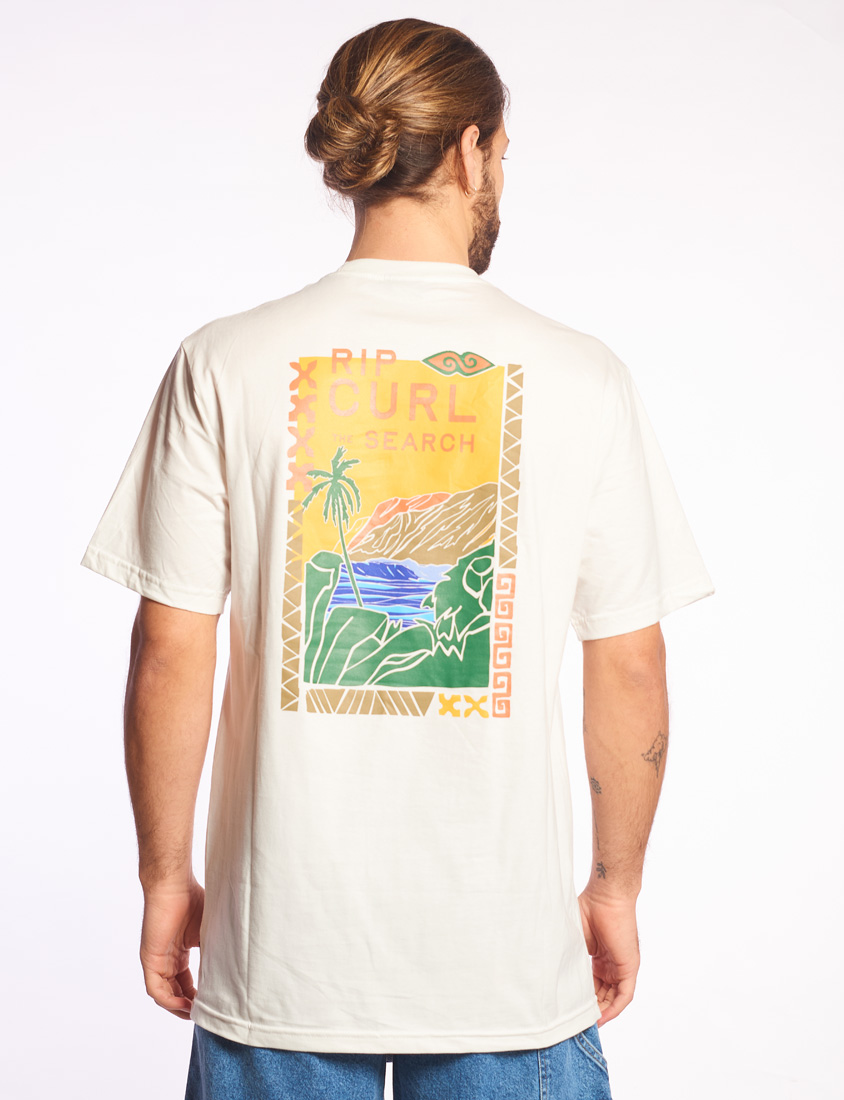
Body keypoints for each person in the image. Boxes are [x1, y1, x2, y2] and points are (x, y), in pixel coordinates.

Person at [80, 16, 715, 1100]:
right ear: (472, 150)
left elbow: (170, 648)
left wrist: (165, 876)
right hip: (505, 968)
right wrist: (614, 887)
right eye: (502, 151)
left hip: (280, 957)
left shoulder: (223, 360)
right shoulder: (582, 375)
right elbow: (629, 659)